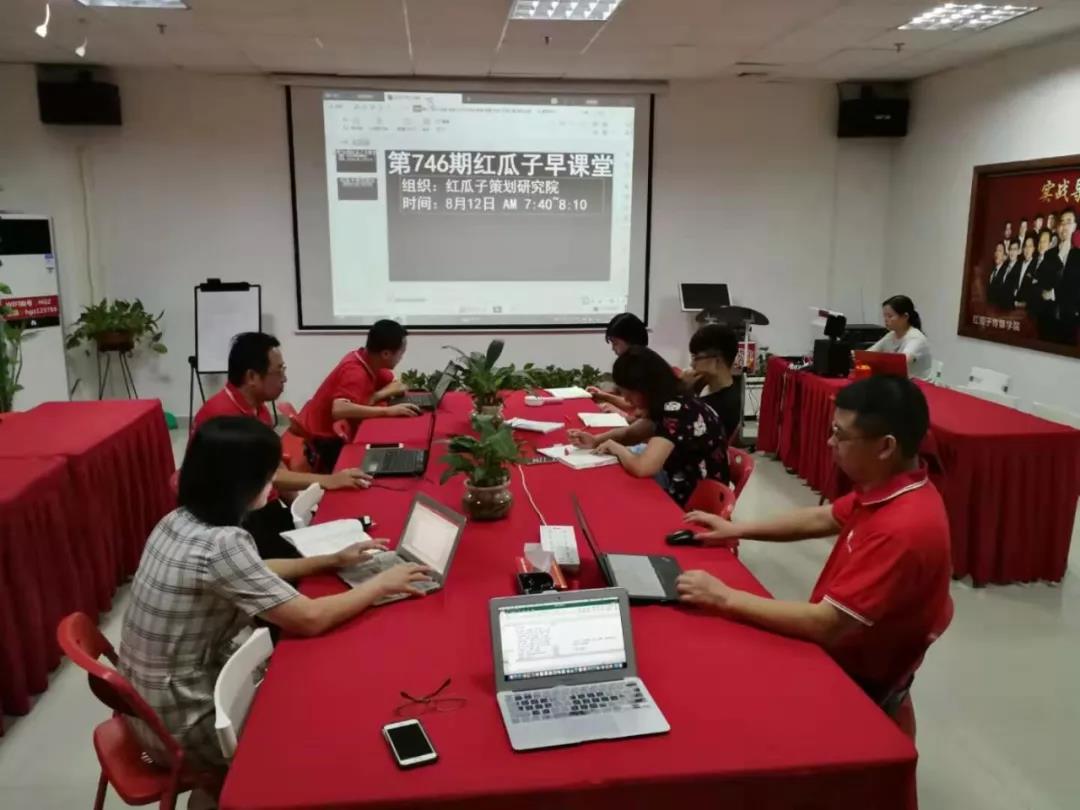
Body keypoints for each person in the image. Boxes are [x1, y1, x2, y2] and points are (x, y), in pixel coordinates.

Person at [119, 417, 432, 779]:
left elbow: (250, 571)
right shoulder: (224, 544)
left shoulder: (177, 520)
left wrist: (330, 560)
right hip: (183, 723)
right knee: (331, 708)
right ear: (240, 482)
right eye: (268, 477)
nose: (272, 486)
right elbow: (310, 618)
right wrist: (380, 584)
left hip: (144, 706)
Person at [676, 376, 951, 708]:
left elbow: (827, 624)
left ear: (885, 447)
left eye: (840, 434)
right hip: (840, 647)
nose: (829, 442)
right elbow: (824, 517)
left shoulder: (902, 527)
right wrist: (735, 529)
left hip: (853, 679)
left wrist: (724, 597)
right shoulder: (891, 485)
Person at [192, 333, 372, 559]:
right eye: (279, 371)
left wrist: (302, 511)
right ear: (252, 376)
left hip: (261, 505)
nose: (284, 379)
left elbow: (274, 466)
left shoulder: (259, 408)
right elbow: (263, 475)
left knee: (334, 531)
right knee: (317, 558)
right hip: (232, 521)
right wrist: (328, 480)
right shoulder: (223, 417)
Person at [568, 347, 729, 506]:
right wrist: (595, 440)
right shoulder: (671, 401)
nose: (627, 400)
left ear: (646, 388)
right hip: (683, 482)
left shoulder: (676, 411)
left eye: (629, 394)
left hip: (697, 500)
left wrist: (616, 448)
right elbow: (630, 434)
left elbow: (643, 467)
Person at [295, 319, 419, 473]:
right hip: (326, 440)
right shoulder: (355, 372)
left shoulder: (366, 358)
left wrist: (376, 396)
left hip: (330, 432)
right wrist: (388, 411)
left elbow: (397, 386)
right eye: (401, 353)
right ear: (386, 354)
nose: (401, 358)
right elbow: (339, 409)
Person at [685, 324, 741, 441]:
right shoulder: (702, 388)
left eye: (696, 358)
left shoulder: (723, 407)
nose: (692, 364)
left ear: (717, 361)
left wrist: (683, 392)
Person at [587, 313, 650, 413]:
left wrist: (608, 400)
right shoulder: (630, 362)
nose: (613, 348)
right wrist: (602, 395)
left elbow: (634, 406)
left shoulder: (644, 366)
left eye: (615, 343)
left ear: (631, 340)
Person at [866, 295, 932, 379]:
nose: (886, 319)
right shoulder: (891, 335)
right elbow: (868, 354)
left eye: (890, 316)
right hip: (898, 381)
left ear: (905, 317)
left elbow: (901, 363)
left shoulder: (916, 338)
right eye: (884, 316)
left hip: (916, 384)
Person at [1048, 207, 1080, 344]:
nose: (1065, 226)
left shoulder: (1078, 256)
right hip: (1047, 318)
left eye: (1069, 222)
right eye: (1062, 222)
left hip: (1070, 320)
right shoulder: (1049, 255)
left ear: (1075, 227)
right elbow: (1042, 283)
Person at [1029, 228, 1063, 340]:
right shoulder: (1033, 260)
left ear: (1050, 244)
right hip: (1031, 313)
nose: (1041, 244)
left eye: (1044, 241)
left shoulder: (1056, 262)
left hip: (1046, 314)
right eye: (1040, 241)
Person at [1009, 234, 1039, 309]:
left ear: (1034, 249)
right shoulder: (1018, 264)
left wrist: (1022, 304)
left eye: (1030, 246)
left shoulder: (1036, 265)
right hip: (1012, 303)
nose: (1027, 249)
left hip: (1027, 306)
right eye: (1025, 246)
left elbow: (1035, 291)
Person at [988, 241, 1016, 309]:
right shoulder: (991, 272)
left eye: (1000, 251)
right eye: (996, 250)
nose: (997, 253)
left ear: (1005, 256)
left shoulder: (1007, 272)